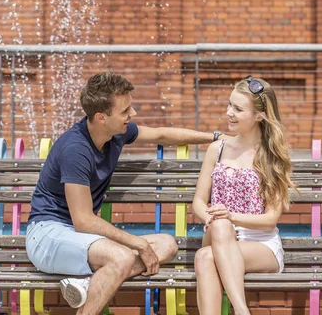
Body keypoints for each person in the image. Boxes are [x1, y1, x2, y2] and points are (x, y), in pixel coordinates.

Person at [25, 71, 223, 315]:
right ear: (101, 117)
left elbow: (161, 133)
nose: (133, 114)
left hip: (78, 238)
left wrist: (217, 137)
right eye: (125, 111)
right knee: (123, 257)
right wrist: (136, 242)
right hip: (48, 234)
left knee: (166, 245)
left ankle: (88, 284)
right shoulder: (75, 149)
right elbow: (83, 220)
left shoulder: (115, 134)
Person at [192, 76, 298, 315]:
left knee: (205, 258)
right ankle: (242, 310)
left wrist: (230, 216)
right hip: (216, 232)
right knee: (220, 228)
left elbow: (271, 219)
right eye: (230, 105)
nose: (229, 112)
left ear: (259, 116)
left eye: (238, 109)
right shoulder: (216, 150)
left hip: (260, 244)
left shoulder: (272, 157)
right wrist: (212, 217)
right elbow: (198, 202)